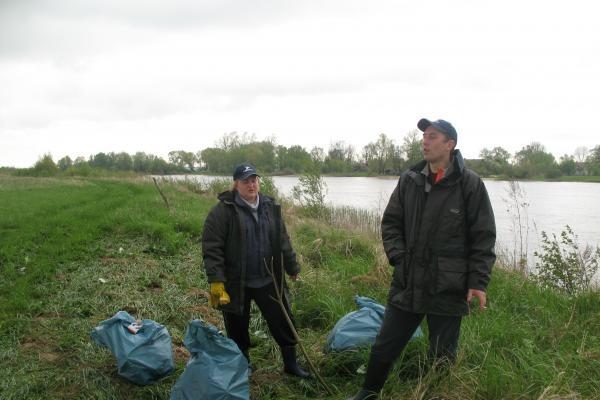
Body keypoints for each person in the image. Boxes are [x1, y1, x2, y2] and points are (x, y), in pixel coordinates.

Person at [348, 118, 496, 400]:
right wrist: (398, 257)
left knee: (442, 355)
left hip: (449, 285)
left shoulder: (470, 185)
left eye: (432, 136)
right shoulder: (410, 180)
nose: (424, 141)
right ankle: (368, 392)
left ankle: (435, 393)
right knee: (384, 346)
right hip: (409, 280)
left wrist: (478, 281)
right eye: (424, 136)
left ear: (449, 144)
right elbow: (391, 223)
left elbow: (484, 237)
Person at [202, 163, 310, 379]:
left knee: (283, 321)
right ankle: (243, 366)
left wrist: (292, 266)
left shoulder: (270, 206)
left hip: (268, 278)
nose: (251, 184)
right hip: (236, 281)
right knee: (237, 327)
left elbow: (282, 240)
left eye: (254, 180)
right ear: (236, 184)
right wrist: (216, 281)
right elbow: (212, 247)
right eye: (245, 181)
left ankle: (291, 364)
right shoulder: (222, 211)